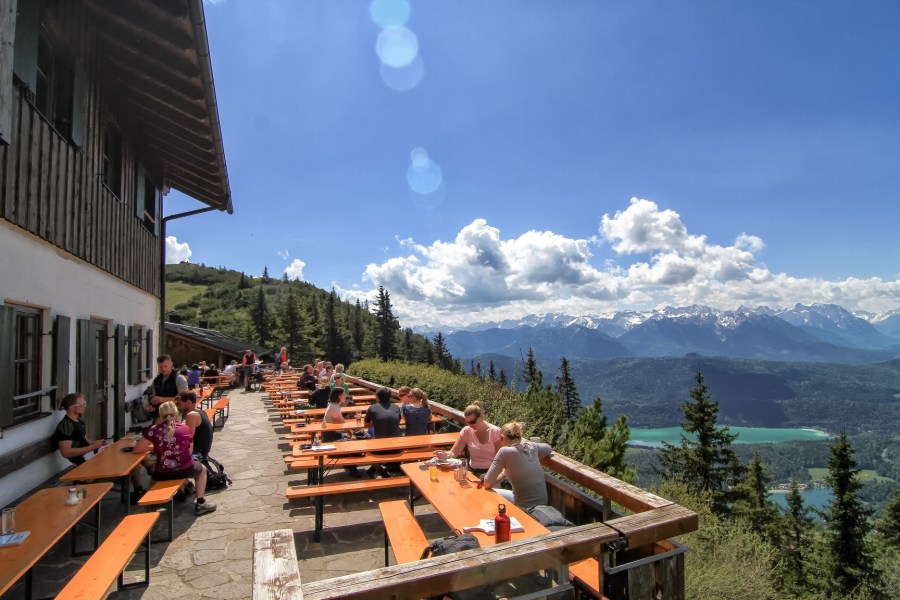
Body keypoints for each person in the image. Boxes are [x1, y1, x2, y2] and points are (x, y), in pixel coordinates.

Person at [133, 401, 217, 514]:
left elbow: (137, 449)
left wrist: (155, 448)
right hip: (185, 470)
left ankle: (150, 500)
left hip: (162, 473)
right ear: (176, 414)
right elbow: (189, 452)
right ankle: (200, 502)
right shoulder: (185, 429)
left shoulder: (154, 430)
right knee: (202, 471)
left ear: (160, 415)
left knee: (151, 469)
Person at [482, 422, 553, 509]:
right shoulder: (532, 447)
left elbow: (487, 483)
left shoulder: (504, 452)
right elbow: (548, 448)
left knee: (484, 493)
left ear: (503, 438)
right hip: (543, 505)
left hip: (524, 508)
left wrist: (503, 475)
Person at [440, 402, 502, 476]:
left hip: (492, 473)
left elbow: (501, 459)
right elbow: (453, 453)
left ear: (481, 416)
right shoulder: (467, 431)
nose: (470, 425)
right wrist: (444, 455)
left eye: (473, 422)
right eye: (468, 422)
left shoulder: (495, 432)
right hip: (473, 472)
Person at [53, 393, 107, 465]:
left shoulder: (79, 421)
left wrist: (96, 443)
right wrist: (93, 447)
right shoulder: (66, 426)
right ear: (71, 408)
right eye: (82, 405)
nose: (85, 406)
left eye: (85, 404)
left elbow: (84, 440)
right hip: (82, 461)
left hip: (89, 455)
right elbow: (66, 452)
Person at [364, 387, 402, 478]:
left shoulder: (372, 408)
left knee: (366, 446)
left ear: (377, 397)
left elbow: (366, 424)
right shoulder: (396, 407)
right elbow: (398, 422)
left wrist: (377, 422)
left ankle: (378, 468)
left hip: (381, 449)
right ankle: (379, 469)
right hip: (397, 447)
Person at [177, 391, 213, 460]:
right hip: (204, 450)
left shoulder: (191, 415)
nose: (178, 406)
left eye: (179, 403)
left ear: (188, 402)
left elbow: (187, 438)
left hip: (198, 453)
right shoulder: (201, 412)